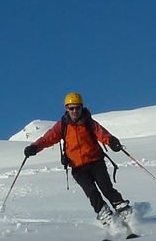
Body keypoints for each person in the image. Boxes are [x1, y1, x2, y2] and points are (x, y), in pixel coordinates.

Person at [24, 92, 131, 226]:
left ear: (82, 108)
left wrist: (111, 141)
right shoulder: (62, 126)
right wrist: (35, 147)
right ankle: (106, 216)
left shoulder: (89, 123)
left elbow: (101, 133)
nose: (75, 111)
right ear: (67, 109)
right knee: (91, 192)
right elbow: (48, 139)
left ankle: (124, 210)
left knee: (106, 188)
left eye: (77, 108)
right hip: (78, 168)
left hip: (96, 162)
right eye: (71, 108)